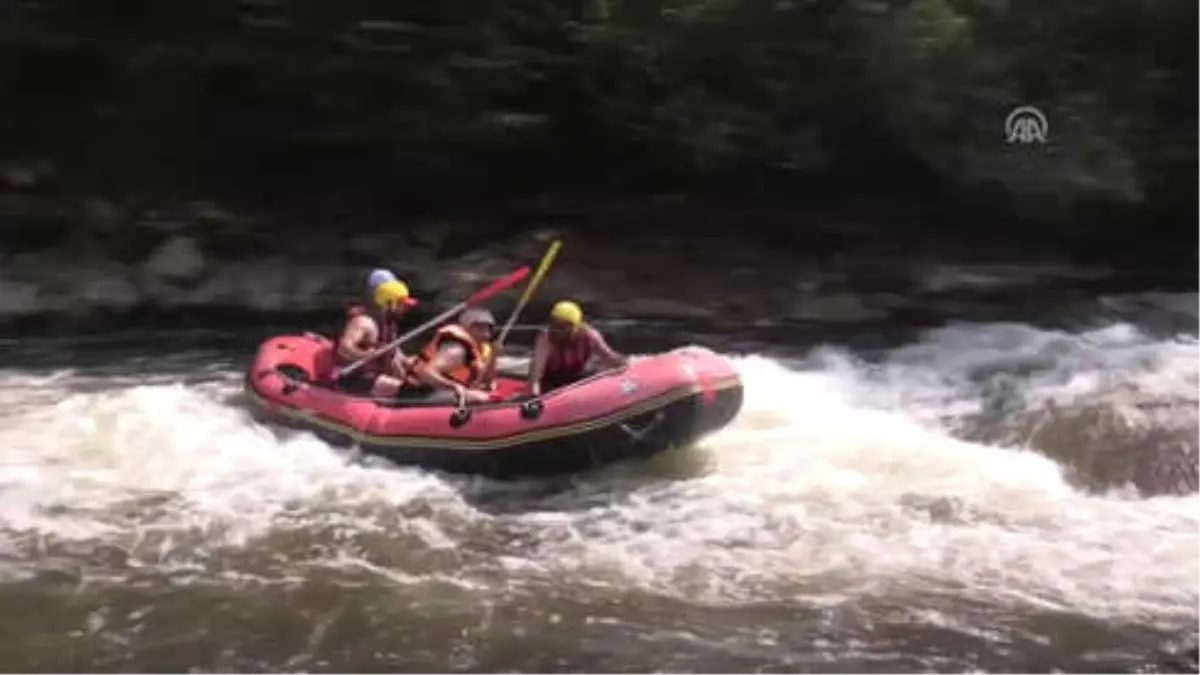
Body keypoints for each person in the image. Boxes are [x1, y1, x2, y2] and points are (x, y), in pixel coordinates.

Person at [331, 279, 418, 396]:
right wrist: (364, 355)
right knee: (406, 390)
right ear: (388, 303)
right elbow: (344, 348)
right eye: (401, 304)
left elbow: (395, 353)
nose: (405, 308)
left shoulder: (389, 324)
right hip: (354, 378)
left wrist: (408, 361)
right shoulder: (364, 322)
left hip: (376, 376)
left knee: (416, 384)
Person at [526, 300, 627, 396]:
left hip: (577, 377)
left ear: (576, 326)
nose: (558, 330)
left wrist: (626, 367)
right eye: (554, 324)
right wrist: (534, 397)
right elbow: (535, 375)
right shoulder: (546, 339)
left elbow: (608, 356)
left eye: (564, 326)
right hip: (552, 383)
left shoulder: (589, 335)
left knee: (598, 370)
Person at [404, 306, 498, 404]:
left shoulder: (478, 350)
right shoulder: (457, 351)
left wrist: (494, 357)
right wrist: (453, 386)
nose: (486, 334)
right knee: (482, 398)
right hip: (421, 393)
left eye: (488, 329)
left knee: (487, 392)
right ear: (467, 327)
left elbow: (486, 380)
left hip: (439, 391)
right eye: (480, 328)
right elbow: (426, 372)